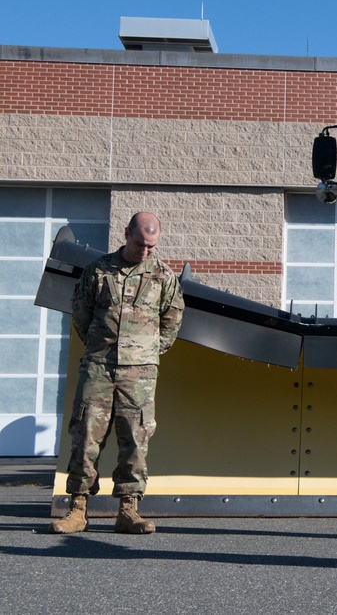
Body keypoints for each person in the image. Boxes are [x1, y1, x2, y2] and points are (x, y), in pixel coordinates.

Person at [49, 212, 184, 535]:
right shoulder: (98, 271)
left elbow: (173, 318)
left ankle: (128, 510)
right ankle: (78, 509)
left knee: (135, 439)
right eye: (140, 244)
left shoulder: (163, 276)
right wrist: (100, 348)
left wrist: (148, 352)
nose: (145, 251)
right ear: (126, 234)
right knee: (85, 437)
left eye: (151, 246)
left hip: (139, 372)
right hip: (98, 367)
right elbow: (80, 313)